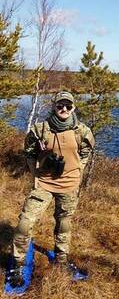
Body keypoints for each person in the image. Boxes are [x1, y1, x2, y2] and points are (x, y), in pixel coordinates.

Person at [8, 91, 95, 287]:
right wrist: (36, 174)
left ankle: (61, 259)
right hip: (44, 184)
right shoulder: (40, 129)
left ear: (73, 107)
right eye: (60, 106)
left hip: (69, 185)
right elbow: (29, 152)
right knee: (24, 223)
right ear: (54, 107)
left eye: (68, 106)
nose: (64, 109)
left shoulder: (82, 131)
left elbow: (86, 152)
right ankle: (18, 263)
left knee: (64, 224)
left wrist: (77, 170)